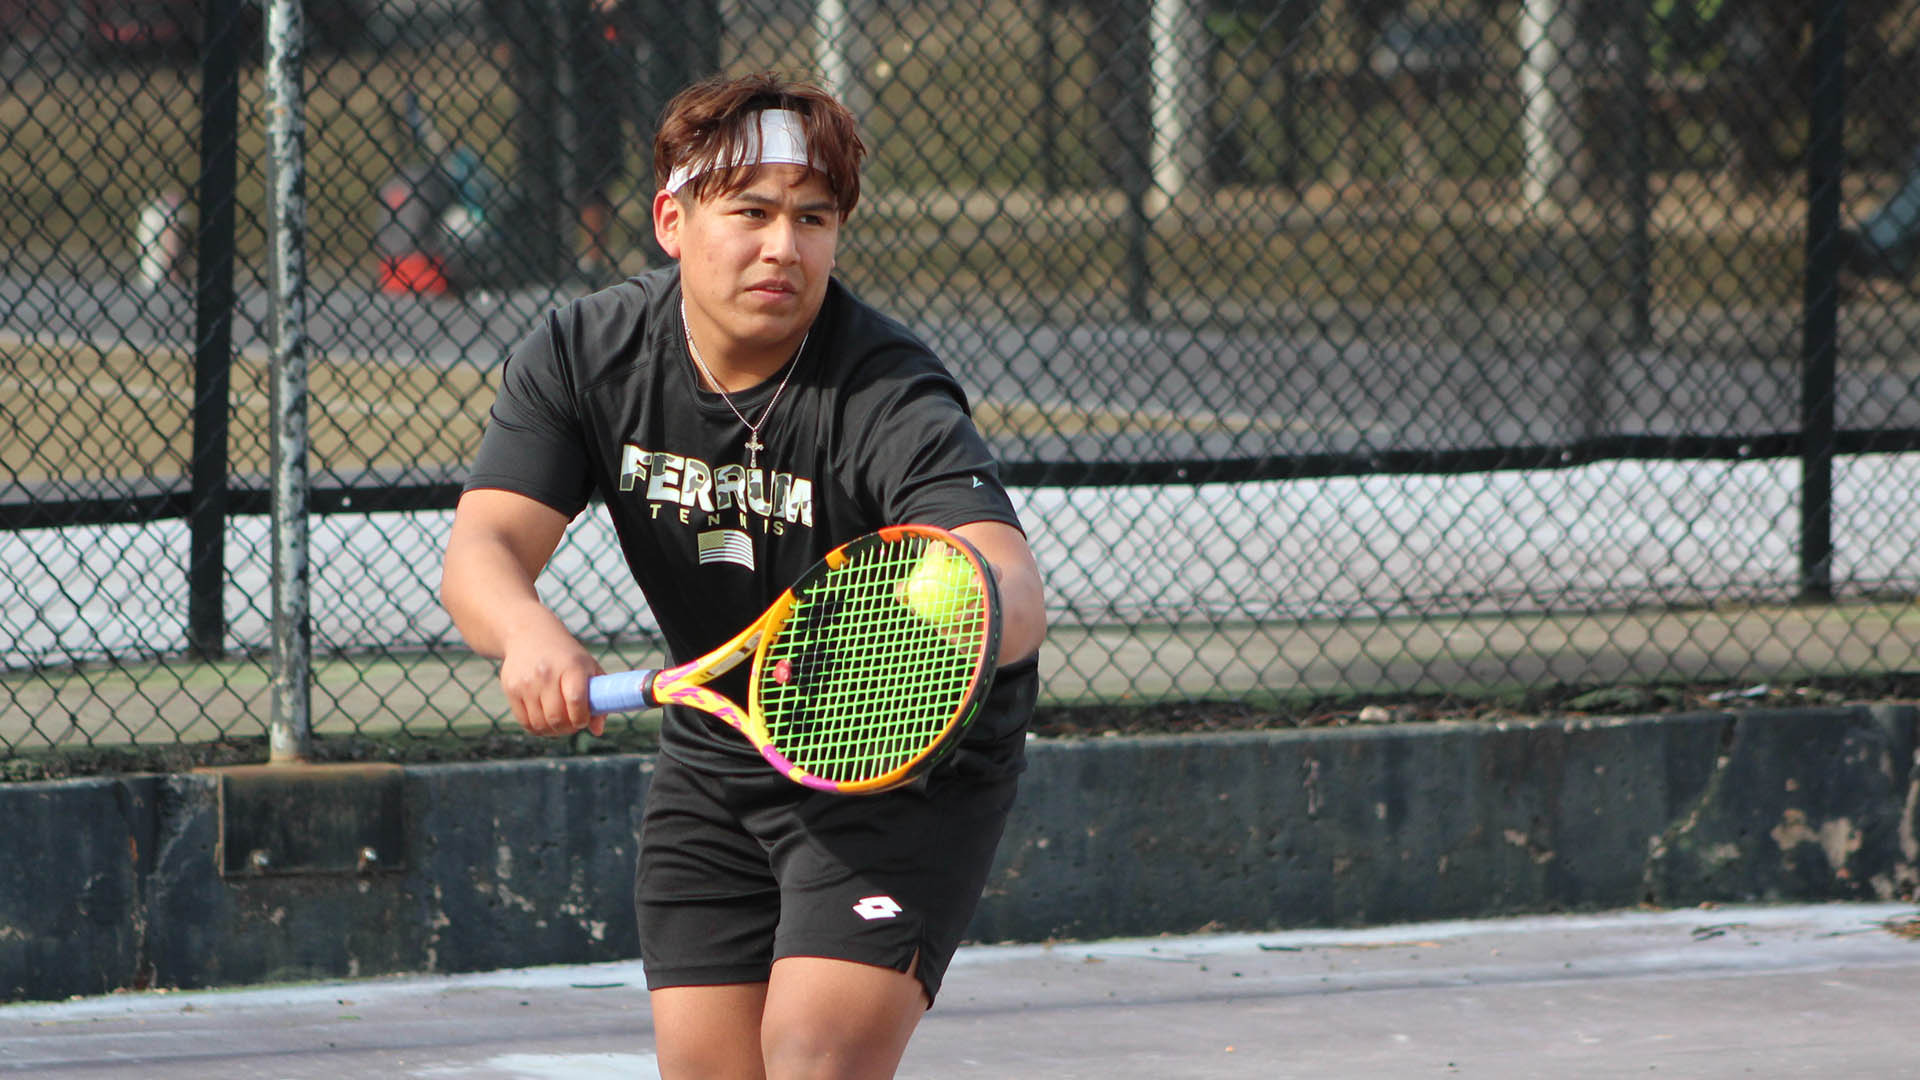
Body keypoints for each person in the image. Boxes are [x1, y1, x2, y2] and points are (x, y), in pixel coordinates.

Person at [439, 72, 1048, 1079]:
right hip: (721, 743)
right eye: (752, 212)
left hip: (897, 763)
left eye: (815, 218)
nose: (785, 246)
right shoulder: (586, 353)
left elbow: (1010, 587)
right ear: (672, 221)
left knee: (811, 1058)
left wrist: (918, 627)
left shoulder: (886, 386)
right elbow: (482, 551)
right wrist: (528, 632)